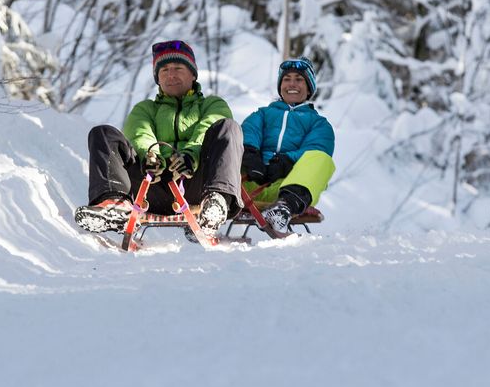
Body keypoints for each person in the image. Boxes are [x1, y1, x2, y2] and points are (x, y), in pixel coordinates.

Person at [76, 40, 243, 238]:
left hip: (196, 186)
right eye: (164, 70)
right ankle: (115, 205)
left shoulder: (212, 104)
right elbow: (139, 132)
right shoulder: (145, 109)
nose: (171, 75)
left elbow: (210, 124)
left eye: (178, 68)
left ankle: (216, 204)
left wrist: (190, 156)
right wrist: (151, 156)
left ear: (193, 74)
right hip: (151, 188)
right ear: (157, 78)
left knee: (228, 128)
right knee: (103, 133)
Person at [241, 57, 335, 235]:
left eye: (299, 79)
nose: (292, 83)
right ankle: (215, 205)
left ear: (309, 88)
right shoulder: (263, 114)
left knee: (321, 159)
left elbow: (317, 147)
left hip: (288, 187)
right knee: (228, 144)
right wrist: (251, 154)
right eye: (287, 79)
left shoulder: (319, 124)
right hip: (248, 185)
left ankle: (282, 210)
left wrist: (287, 160)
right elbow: (249, 131)